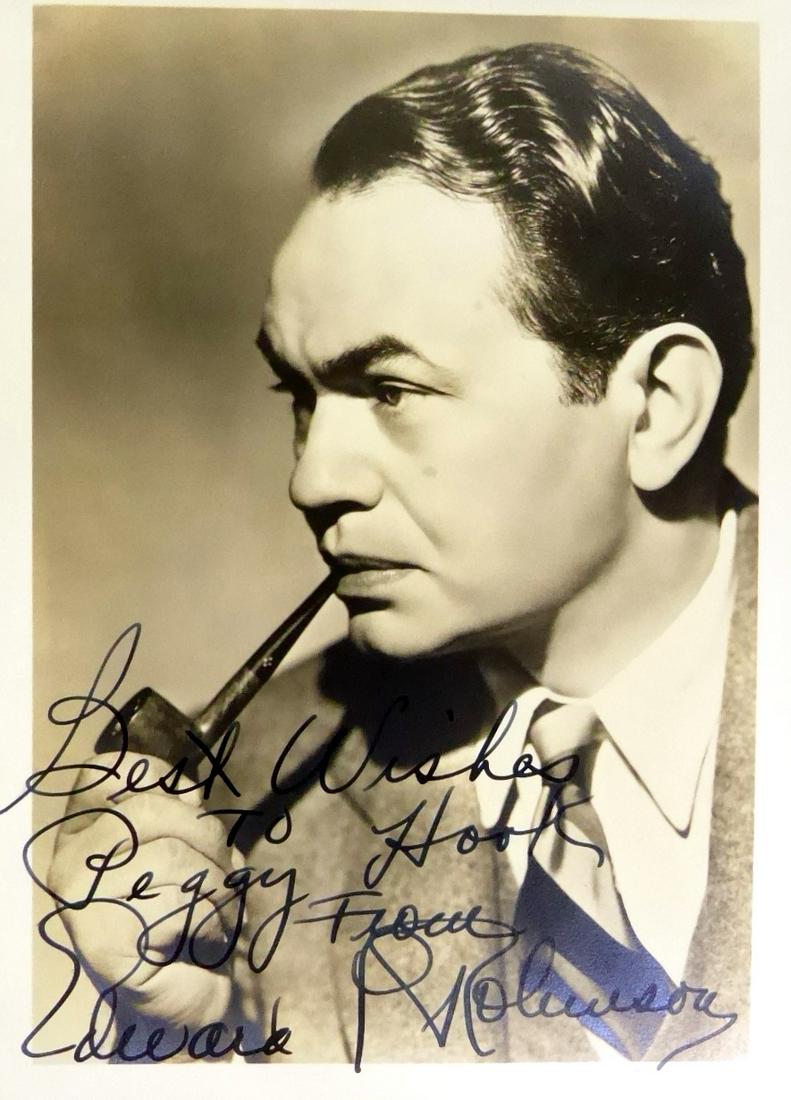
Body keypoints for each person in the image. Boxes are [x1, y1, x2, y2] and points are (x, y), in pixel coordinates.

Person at [48, 42, 756, 1066]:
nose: (311, 478)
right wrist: (169, 1038)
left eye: (390, 389)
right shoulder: (229, 819)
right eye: (299, 395)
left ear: (655, 406)